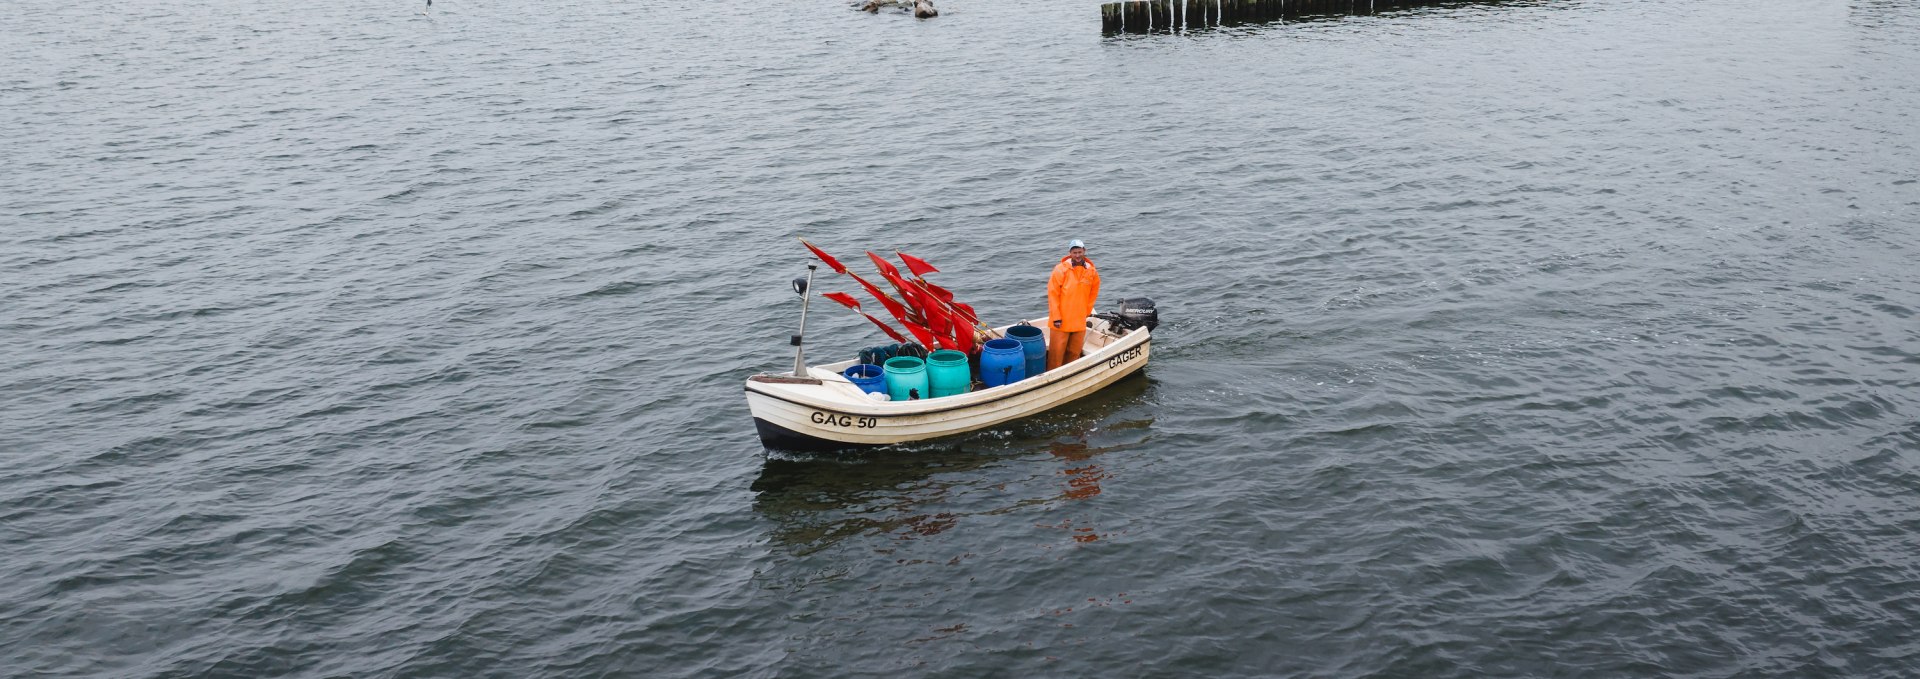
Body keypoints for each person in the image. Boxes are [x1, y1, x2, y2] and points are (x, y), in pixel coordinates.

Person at [1045, 239, 1100, 371]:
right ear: (1070, 253)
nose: (1077, 255)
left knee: (1074, 352)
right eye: (1074, 252)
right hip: (1061, 321)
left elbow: (1093, 293)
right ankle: (1052, 377)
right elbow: (1053, 294)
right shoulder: (1060, 270)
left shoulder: (1091, 271)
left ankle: (1070, 374)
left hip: (1079, 320)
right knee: (1056, 354)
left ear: (1084, 251)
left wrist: (1086, 312)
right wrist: (1056, 317)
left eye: (1079, 252)